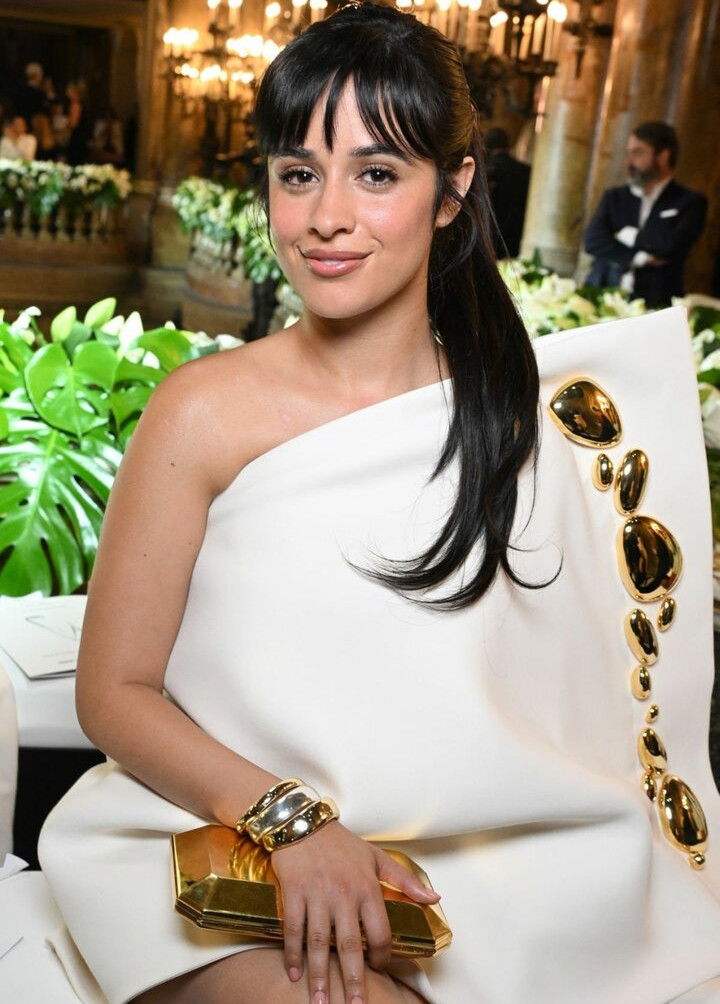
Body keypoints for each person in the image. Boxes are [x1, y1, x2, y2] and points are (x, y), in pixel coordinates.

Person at [39, 5, 720, 1004]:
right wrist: (293, 824)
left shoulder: (526, 419)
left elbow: (577, 705)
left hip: (488, 871)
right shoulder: (201, 412)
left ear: (454, 190)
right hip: (227, 839)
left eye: (377, 174)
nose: (326, 217)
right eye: (297, 174)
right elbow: (116, 691)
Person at [584, 121, 707, 307]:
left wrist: (629, 235)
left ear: (663, 156)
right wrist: (638, 258)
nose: (629, 162)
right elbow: (592, 241)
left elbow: (673, 245)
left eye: (638, 153)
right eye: (628, 153)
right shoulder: (614, 197)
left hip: (656, 302)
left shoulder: (690, 202)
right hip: (601, 294)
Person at [483, 125, 530, 259]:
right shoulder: (526, 171)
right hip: (519, 239)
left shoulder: (485, 172)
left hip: (491, 239)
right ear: (508, 146)